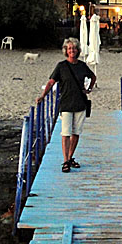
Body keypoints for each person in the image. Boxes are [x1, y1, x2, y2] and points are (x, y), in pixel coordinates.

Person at [37, 38, 96, 173]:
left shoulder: (82, 66)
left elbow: (93, 77)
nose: (72, 51)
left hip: (80, 103)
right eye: (69, 49)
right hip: (66, 103)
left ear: (77, 50)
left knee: (76, 132)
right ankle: (65, 161)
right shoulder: (61, 66)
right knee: (65, 133)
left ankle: (70, 158)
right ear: (66, 51)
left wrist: (89, 89)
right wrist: (43, 95)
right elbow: (51, 82)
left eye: (74, 48)